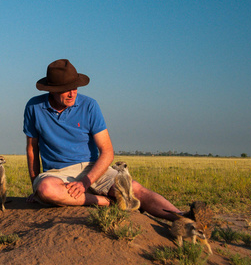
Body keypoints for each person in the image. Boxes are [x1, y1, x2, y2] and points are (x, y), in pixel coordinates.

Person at [23, 59, 181, 221]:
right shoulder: (34, 107)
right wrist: (35, 185)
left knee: (134, 189)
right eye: (65, 90)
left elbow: (107, 152)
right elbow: (32, 149)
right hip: (57, 174)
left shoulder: (89, 105)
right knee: (46, 189)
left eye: (74, 88)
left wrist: (85, 182)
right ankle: (103, 201)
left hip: (93, 169)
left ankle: (183, 217)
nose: (72, 94)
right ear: (52, 90)